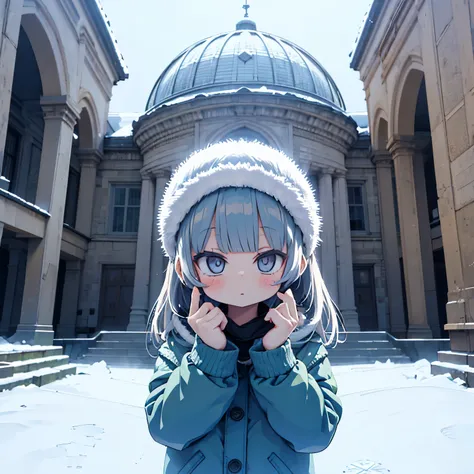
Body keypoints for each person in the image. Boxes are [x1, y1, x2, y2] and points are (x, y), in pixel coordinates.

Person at [144, 140, 344, 474]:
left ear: (299, 263)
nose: (240, 277)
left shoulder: (304, 347)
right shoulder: (181, 345)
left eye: (266, 259)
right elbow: (169, 430)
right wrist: (208, 355)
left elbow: (314, 435)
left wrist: (277, 357)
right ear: (182, 267)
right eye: (214, 260)